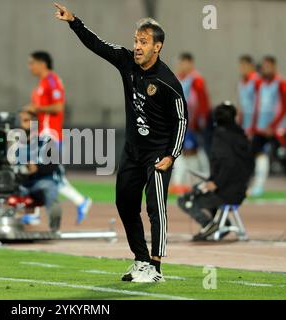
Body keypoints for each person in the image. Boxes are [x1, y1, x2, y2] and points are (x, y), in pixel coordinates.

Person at [55, 3, 187, 283]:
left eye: (144, 42)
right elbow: (98, 45)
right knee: (125, 203)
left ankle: (156, 268)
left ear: (158, 47)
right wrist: (74, 22)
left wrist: (172, 155)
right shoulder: (126, 62)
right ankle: (140, 260)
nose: (137, 46)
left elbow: (181, 121)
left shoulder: (168, 82)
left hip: (158, 154)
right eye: (136, 41)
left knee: (155, 208)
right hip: (132, 151)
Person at [24, 51, 92, 224]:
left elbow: (58, 106)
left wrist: (36, 108)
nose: (30, 67)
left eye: (32, 63)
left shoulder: (52, 81)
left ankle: (80, 201)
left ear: (42, 63)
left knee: (48, 175)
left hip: (50, 135)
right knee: (43, 174)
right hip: (42, 134)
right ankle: (36, 213)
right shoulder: (42, 83)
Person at [178, 102, 254, 240]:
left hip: (225, 192)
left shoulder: (220, 135)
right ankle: (222, 223)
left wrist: (216, 183)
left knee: (186, 198)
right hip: (239, 190)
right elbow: (248, 164)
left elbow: (228, 163)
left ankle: (208, 225)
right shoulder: (242, 135)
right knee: (202, 187)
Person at [171, 52, 211, 194]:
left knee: (191, 151)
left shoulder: (196, 79)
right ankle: (186, 182)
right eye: (180, 63)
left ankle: (190, 182)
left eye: (185, 63)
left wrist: (202, 119)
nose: (182, 66)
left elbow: (202, 101)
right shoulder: (176, 78)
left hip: (191, 122)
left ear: (190, 63)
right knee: (186, 151)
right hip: (179, 120)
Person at [17, 110, 62, 231]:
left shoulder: (46, 142)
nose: (21, 125)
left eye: (26, 121)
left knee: (49, 186)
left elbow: (54, 165)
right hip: (19, 184)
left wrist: (36, 169)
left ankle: (54, 228)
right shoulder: (13, 144)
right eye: (20, 121)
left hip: (39, 183)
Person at [250, 56, 286, 196]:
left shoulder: (280, 83)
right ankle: (258, 185)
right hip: (262, 128)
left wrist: (274, 125)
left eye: (268, 66)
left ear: (274, 66)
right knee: (258, 153)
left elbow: (284, 107)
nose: (265, 69)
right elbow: (257, 106)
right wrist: (254, 126)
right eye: (263, 66)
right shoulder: (259, 84)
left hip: (278, 128)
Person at [237, 55, 259, 136]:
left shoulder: (257, 80)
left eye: (244, 65)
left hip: (256, 119)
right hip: (246, 119)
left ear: (251, 66)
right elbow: (242, 102)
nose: (242, 68)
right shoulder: (241, 82)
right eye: (241, 65)